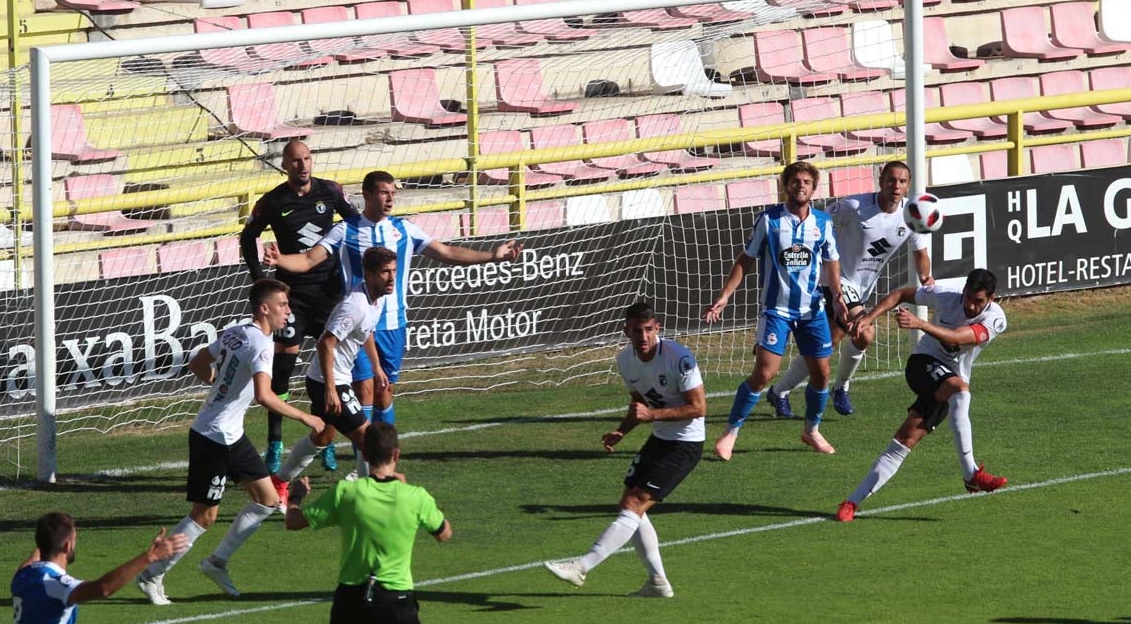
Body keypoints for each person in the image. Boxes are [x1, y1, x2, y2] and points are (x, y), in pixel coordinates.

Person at [265, 170, 522, 437]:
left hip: (393, 324)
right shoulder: (345, 230)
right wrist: (280, 260)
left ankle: (377, 452)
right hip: (359, 327)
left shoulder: (404, 229)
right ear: (366, 195)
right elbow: (308, 260)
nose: (390, 199)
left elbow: (446, 252)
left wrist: (492, 255)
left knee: (384, 392)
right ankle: (364, 464)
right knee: (363, 390)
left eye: (393, 193)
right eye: (384, 193)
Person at [135, 279, 325, 604]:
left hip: (229, 433)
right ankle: (151, 575)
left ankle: (216, 562)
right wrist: (305, 417)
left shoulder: (236, 331)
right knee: (204, 515)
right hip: (213, 438)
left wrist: (219, 389)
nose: (288, 312)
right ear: (264, 308)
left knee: (267, 500)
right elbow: (265, 396)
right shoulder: (262, 345)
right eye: (282, 305)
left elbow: (197, 362)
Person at [544, 302, 705, 598]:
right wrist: (621, 431)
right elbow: (639, 406)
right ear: (626, 331)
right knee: (629, 505)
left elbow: (698, 407)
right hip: (660, 439)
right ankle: (658, 582)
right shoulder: (625, 361)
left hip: (686, 443)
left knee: (635, 505)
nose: (642, 336)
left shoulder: (679, 358)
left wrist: (652, 417)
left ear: (657, 328)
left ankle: (581, 567)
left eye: (647, 330)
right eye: (636, 331)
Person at [836, 268, 1008, 523]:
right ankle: (971, 473)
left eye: (978, 301)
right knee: (961, 392)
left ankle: (851, 503)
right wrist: (869, 318)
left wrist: (920, 324)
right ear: (964, 291)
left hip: (948, 379)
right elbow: (900, 294)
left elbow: (959, 337)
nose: (971, 305)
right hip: (921, 365)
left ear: (991, 299)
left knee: (904, 440)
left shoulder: (996, 319)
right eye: (968, 297)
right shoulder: (945, 295)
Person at [703, 161, 849, 459]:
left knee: (821, 373)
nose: (800, 185)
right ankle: (730, 431)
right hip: (776, 311)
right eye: (795, 180)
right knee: (765, 373)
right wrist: (724, 296)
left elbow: (832, 260)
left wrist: (837, 295)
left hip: (812, 310)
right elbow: (746, 259)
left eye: (806, 181)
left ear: (814, 188)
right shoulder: (768, 221)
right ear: (785, 185)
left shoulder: (823, 223)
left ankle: (811, 429)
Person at [285, 421, 451, 624]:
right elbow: (444, 534)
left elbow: (293, 523)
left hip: (351, 599)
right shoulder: (415, 497)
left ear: (363, 453)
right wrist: (407, 490)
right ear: (396, 454)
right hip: (396, 600)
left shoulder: (347, 492)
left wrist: (295, 497)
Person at [769, 161, 934, 418]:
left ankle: (779, 392)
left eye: (902, 181)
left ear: (908, 185)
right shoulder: (854, 206)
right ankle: (841, 388)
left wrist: (927, 278)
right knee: (864, 334)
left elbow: (921, 253)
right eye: (891, 180)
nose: (896, 186)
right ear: (881, 181)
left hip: (861, 287)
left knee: (827, 344)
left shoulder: (911, 216)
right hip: (833, 280)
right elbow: (819, 221)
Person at [240, 139, 360, 474]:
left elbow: (357, 224)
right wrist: (259, 278)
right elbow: (247, 238)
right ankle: (275, 443)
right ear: (285, 165)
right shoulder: (273, 201)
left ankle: (327, 438)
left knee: (332, 370)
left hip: (329, 294)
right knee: (282, 369)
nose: (303, 165)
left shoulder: (331, 192)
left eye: (307, 158)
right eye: (295, 161)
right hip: (291, 298)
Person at [271, 246, 397, 508]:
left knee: (323, 436)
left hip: (331, 379)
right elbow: (325, 344)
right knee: (368, 439)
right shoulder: (354, 305)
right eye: (385, 272)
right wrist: (330, 388)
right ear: (369, 274)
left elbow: (367, 334)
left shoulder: (377, 299)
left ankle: (279, 481)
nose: (392, 278)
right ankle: (368, 498)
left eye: (394, 271)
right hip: (328, 381)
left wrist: (376, 368)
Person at [7, 513, 189, 624]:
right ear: (67, 545)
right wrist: (151, 556)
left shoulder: (24, 575)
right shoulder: (57, 585)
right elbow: (103, 588)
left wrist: (50, 534)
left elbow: (42, 548)